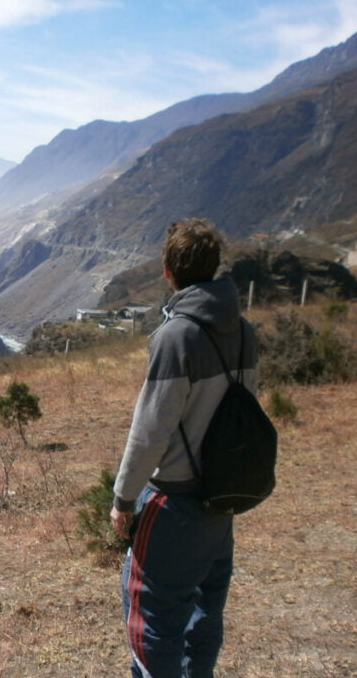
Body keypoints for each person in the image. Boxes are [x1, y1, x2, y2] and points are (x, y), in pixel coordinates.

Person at [110, 218, 257, 678]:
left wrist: (122, 500)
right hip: (222, 497)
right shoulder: (245, 331)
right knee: (204, 616)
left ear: (168, 269)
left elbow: (150, 430)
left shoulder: (176, 337)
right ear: (213, 267)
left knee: (152, 620)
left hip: (174, 502)